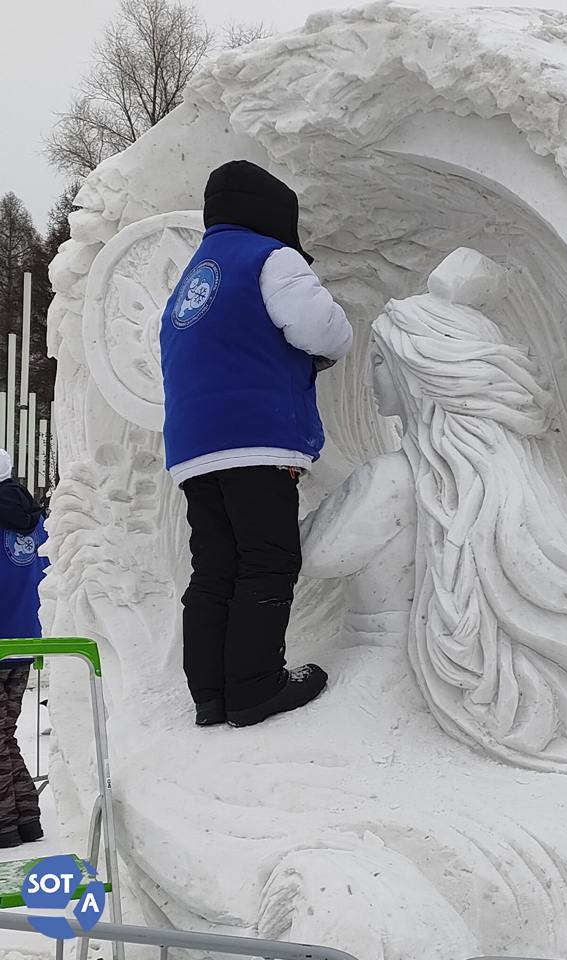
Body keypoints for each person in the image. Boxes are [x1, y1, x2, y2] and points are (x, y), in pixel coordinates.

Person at [160, 160, 354, 728]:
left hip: (194, 447)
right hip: (256, 435)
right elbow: (323, 329)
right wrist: (325, 351)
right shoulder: (270, 257)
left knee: (214, 566)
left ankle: (211, 695)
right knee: (267, 558)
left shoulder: (192, 278)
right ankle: (255, 686)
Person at [0, 448, 47, 846]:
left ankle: (4, 828)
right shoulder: (34, 520)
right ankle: (27, 820)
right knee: (4, 733)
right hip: (25, 637)